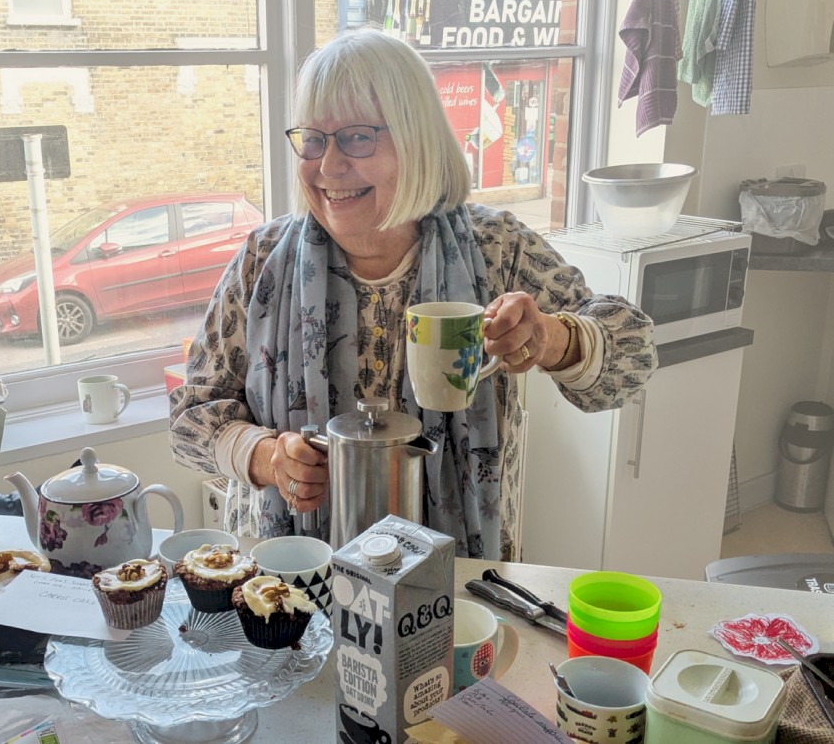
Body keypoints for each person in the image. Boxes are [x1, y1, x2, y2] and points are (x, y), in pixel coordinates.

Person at [169, 29, 657, 560]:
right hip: (290, 581)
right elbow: (190, 416)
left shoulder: (497, 250)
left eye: (357, 137)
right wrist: (265, 456)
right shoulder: (263, 261)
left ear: (418, 139)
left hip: (457, 577)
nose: (328, 166)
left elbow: (633, 357)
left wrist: (552, 339)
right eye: (313, 138)